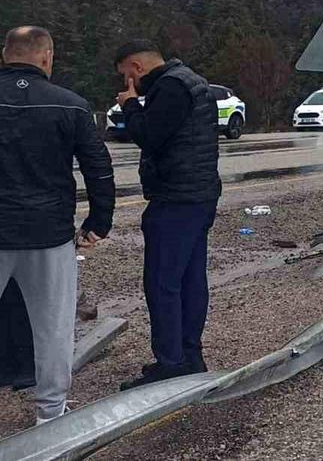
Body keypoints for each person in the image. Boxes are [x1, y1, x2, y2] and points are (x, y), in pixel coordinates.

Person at [0, 26, 114, 425]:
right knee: (52, 327)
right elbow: (98, 169)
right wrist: (99, 222)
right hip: (48, 234)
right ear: (47, 57)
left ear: (4, 54)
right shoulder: (71, 105)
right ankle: (50, 415)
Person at [113, 40, 221, 390]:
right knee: (190, 279)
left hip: (177, 198)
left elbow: (149, 136)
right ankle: (190, 355)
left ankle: (171, 363)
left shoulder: (171, 87)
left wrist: (130, 106)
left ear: (137, 67)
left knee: (162, 283)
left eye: (126, 76)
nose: (127, 84)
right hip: (199, 195)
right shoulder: (192, 81)